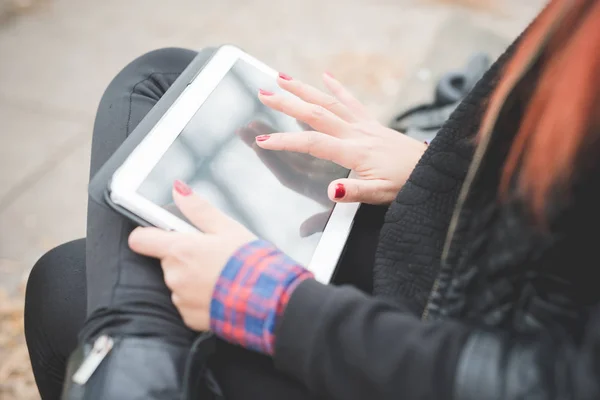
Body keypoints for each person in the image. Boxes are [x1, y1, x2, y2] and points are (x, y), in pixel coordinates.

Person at [23, 0, 600, 398]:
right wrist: (437, 174)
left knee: (67, 282)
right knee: (164, 77)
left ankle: (131, 359)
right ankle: (137, 358)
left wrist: (276, 305)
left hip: (449, 365)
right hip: (468, 291)